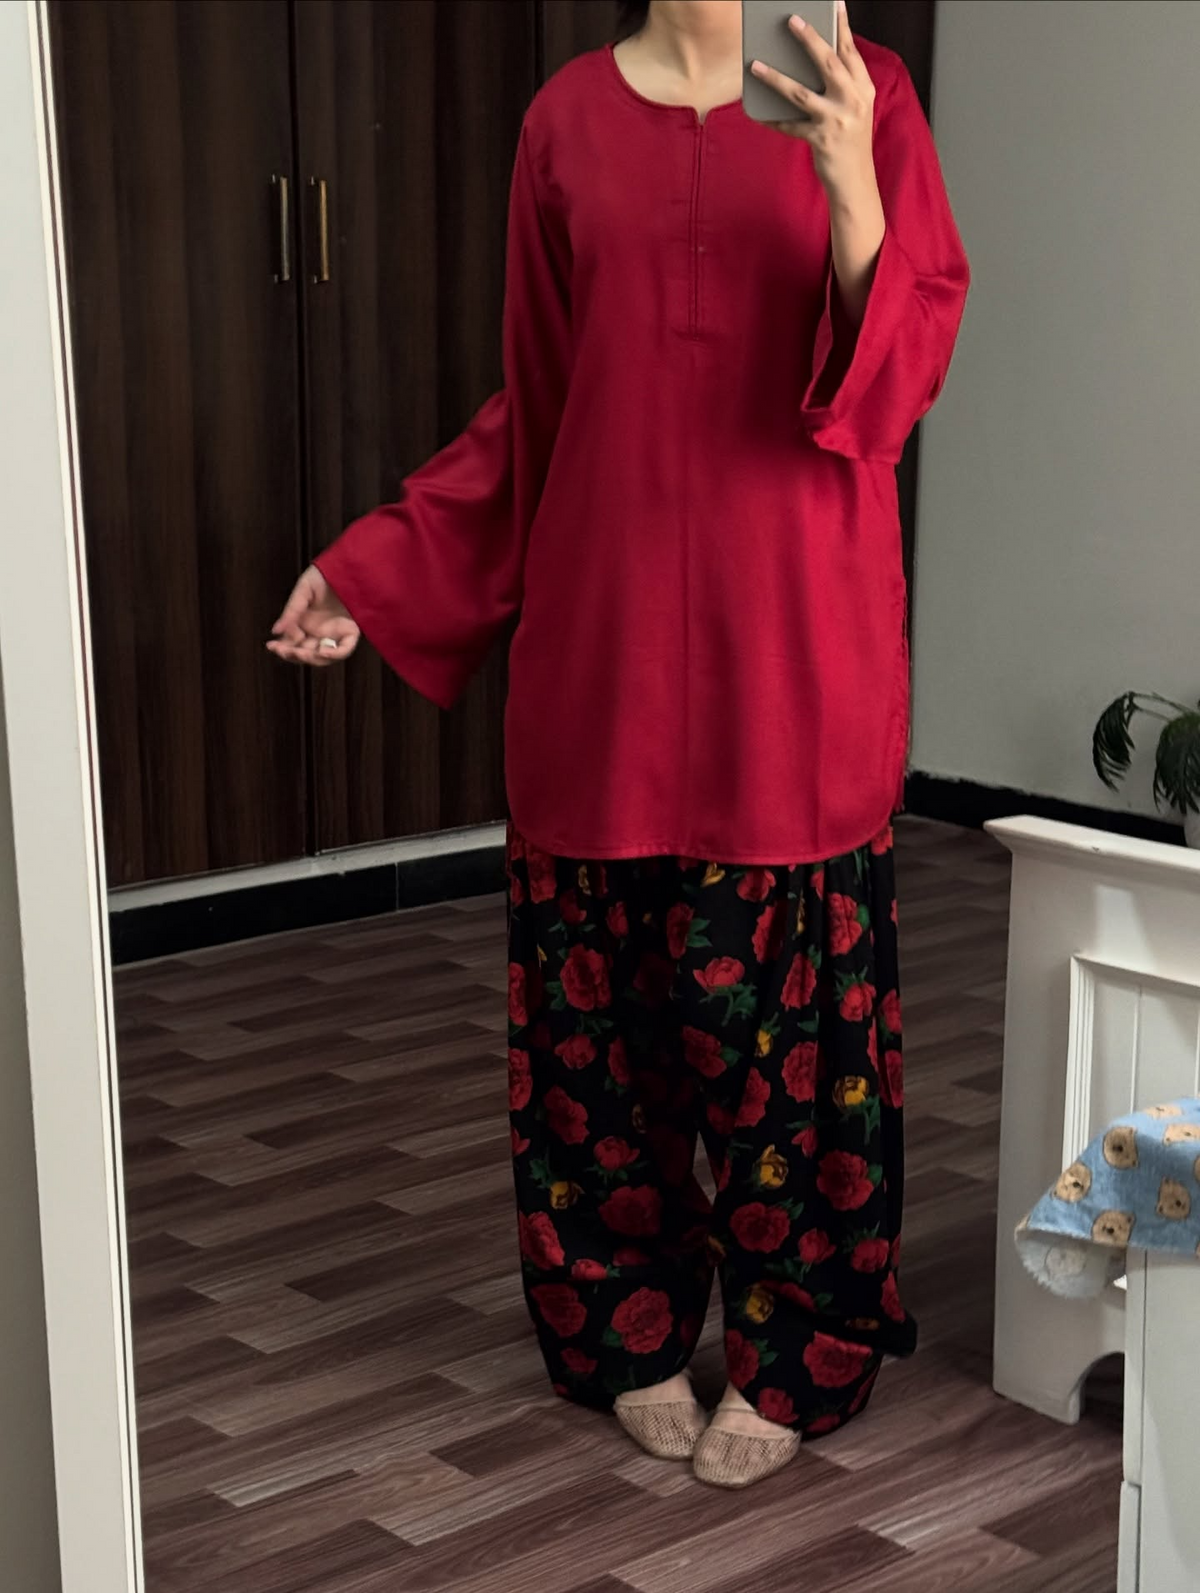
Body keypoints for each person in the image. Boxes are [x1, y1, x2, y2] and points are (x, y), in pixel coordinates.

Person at [269, 0, 968, 1488]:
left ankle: (794, 1358)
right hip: (605, 660)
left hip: (795, 661)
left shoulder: (867, 91)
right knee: (600, 1057)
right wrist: (379, 564)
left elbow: (899, 382)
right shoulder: (566, 122)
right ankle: (626, 1337)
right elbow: (542, 405)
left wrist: (851, 177)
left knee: (793, 1060)